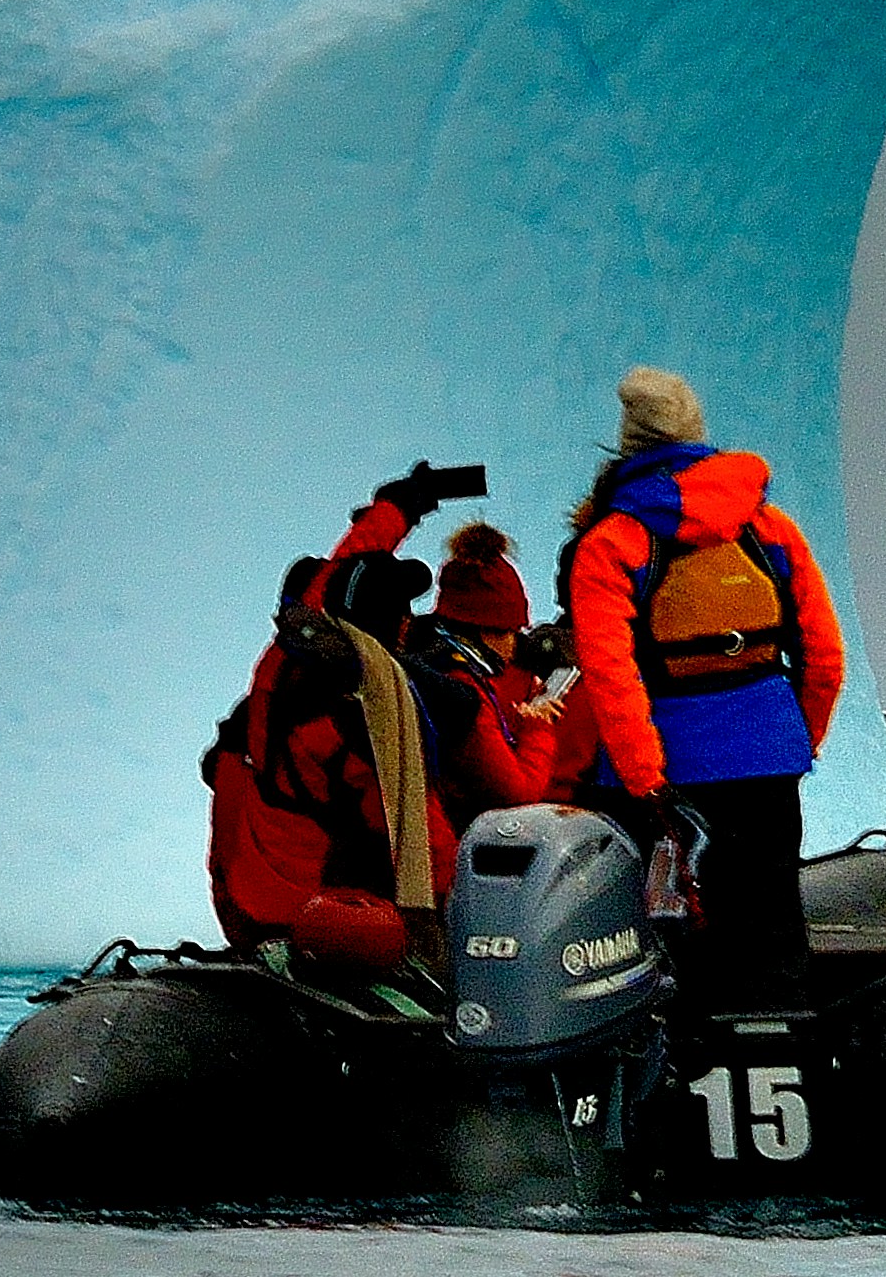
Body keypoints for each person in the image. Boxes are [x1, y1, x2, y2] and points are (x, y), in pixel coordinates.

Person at [562, 367, 847, 1014]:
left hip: (663, 778)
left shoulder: (613, 542)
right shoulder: (770, 528)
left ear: (628, 441)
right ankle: (780, 1069)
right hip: (764, 760)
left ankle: (675, 1081)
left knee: (660, 937)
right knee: (771, 928)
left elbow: (611, 675)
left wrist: (643, 778)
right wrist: (794, 740)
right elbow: (824, 655)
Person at [200, 460, 490, 991]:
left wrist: (405, 502)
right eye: (404, 612)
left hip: (243, 896)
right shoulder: (366, 720)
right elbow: (427, 848)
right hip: (304, 919)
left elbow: (347, 563)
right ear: (391, 630)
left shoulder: (292, 650)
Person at [427, 522, 583, 814]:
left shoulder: (443, 668)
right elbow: (517, 793)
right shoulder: (461, 690)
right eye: (507, 631)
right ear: (480, 630)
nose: (514, 644)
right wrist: (538, 726)